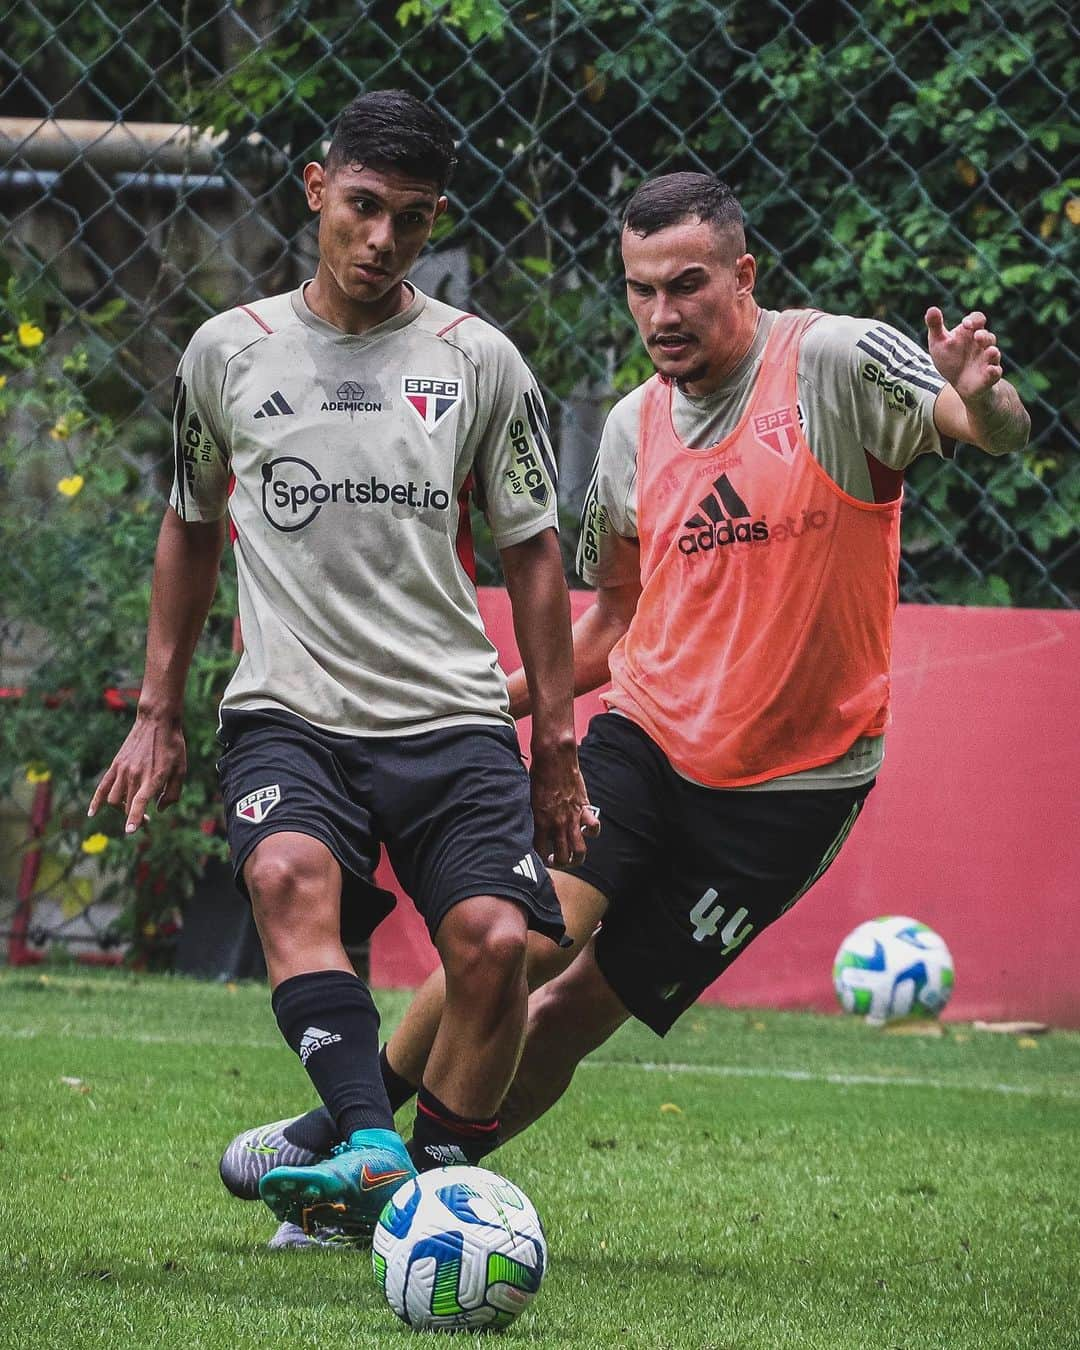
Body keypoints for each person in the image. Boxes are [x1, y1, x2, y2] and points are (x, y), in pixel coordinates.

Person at [217, 170, 1031, 1237]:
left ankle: (400, 1197)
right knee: (517, 940)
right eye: (640, 290)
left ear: (743, 276)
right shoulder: (632, 428)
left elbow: (983, 427)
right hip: (643, 739)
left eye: (686, 285)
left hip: (790, 791)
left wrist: (982, 395)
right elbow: (608, 626)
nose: (661, 314)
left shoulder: (831, 361)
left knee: (572, 1016)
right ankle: (345, 1147)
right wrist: (477, 703)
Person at [89, 90, 598, 1241]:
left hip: (448, 712)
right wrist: (159, 708)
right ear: (318, 190)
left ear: (434, 222)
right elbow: (189, 520)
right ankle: (373, 1150)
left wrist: (557, 740)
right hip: (287, 709)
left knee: (496, 947)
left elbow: (531, 552)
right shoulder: (229, 352)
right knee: (284, 880)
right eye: (363, 208)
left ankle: (402, 1188)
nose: (382, 241)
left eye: (411, 222)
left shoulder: (479, 361)